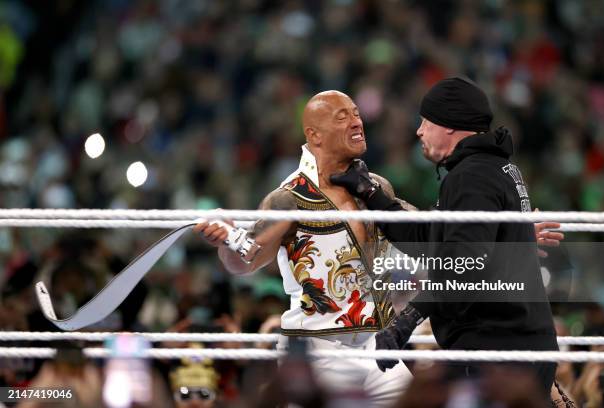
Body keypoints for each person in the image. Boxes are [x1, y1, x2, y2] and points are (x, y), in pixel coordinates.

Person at [330, 77, 560, 398]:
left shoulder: (472, 176)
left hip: (498, 350)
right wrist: (371, 193)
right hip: (511, 344)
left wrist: (406, 320)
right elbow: (427, 240)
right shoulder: (490, 168)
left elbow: (463, 266)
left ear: (449, 125)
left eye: (426, 121)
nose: (419, 131)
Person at [194, 90, 414, 407]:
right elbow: (244, 262)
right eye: (343, 117)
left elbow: (424, 230)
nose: (357, 122)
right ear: (315, 135)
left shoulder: (375, 188)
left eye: (356, 113)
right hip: (318, 350)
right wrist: (225, 240)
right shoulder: (289, 199)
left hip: (377, 345)